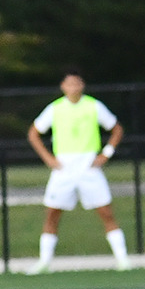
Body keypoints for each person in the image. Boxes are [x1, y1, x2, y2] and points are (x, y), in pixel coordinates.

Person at [24, 68, 128, 274]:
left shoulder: (93, 106)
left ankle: (123, 260)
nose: (73, 88)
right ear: (63, 87)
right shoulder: (55, 108)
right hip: (63, 168)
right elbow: (33, 133)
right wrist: (48, 158)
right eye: (69, 84)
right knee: (52, 213)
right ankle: (44, 261)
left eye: (77, 83)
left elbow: (116, 129)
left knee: (105, 212)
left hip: (89, 166)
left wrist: (106, 154)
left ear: (82, 85)